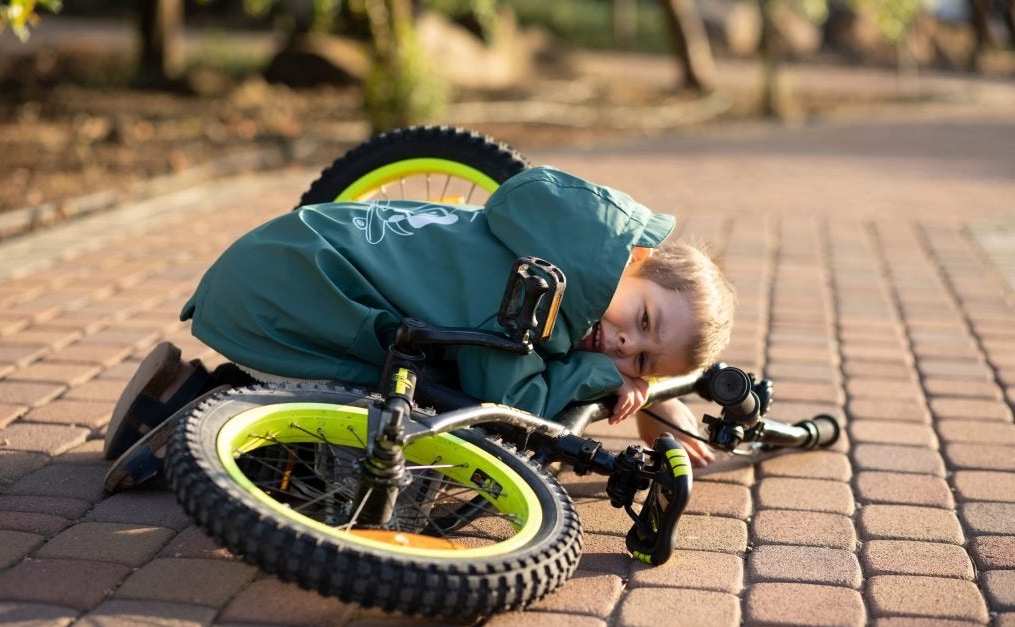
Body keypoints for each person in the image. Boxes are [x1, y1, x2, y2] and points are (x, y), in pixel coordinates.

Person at [102, 166, 735, 490]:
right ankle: (181, 414)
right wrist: (599, 375)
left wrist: (639, 388)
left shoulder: (557, 247)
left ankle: (188, 388)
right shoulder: (529, 297)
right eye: (643, 319)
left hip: (285, 267)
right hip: (281, 299)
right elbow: (509, 405)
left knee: (413, 360)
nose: (626, 345)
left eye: (644, 361)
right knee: (395, 402)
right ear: (635, 262)